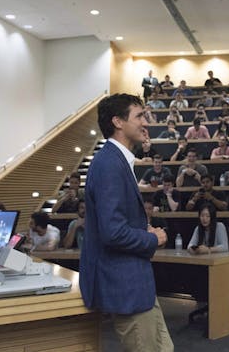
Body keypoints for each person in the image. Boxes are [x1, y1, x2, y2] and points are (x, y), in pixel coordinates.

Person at [79, 94, 172, 351]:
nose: (146, 123)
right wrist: (154, 238)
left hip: (137, 284)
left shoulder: (117, 160)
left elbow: (117, 221)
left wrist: (143, 228)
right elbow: (113, 232)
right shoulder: (109, 164)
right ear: (118, 122)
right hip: (126, 285)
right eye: (139, 116)